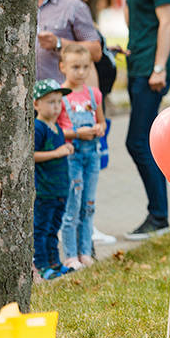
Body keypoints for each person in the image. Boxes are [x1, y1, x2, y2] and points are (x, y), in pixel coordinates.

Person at [101, 0, 170, 240]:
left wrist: (159, 66)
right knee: (145, 141)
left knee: (138, 141)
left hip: (151, 73)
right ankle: (158, 214)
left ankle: (159, 216)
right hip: (138, 65)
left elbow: (168, 21)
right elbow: (139, 22)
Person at [54, 0, 118, 246]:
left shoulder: (80, 14)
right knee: (73, 192)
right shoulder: (75, 11)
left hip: (91, 110)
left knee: (90, 184)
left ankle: (86, 237)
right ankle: (73, 243)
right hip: (74, 136)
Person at [57, 44, 106, 269]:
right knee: (72, 205)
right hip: (72, 157)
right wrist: (77, 133)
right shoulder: (59, 96)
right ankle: (70, 255)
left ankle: (86, 252)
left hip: (92, 156)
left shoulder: (94, 94)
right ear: (63, 67)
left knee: (89, 203)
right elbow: (55, 131)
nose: (81, 72)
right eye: (75, 67)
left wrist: (99, 128)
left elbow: (102, 120)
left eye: (86, 67)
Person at [36, 0, 102, 82]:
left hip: (61, 97)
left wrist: (58, 43)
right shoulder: (17, 9)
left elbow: (96, 51)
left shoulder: (74, 6)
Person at [32, 79, 75, 281]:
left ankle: (55, 262)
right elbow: (31, 155)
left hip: (60, 189)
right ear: (36, 104)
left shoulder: (57, 126)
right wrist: (57, 153)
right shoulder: (38, 127)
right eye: (50, 102)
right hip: (44, 190)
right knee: (41, 229)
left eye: (59, 102)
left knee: (53, 229)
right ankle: (41, 265)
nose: (56, 106)